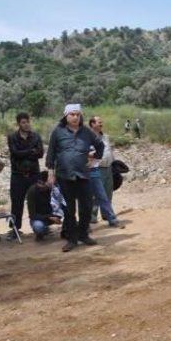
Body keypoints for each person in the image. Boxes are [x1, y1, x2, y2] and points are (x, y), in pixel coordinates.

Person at [46, 104, 104, 252]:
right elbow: (51, 153)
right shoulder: (57, 132)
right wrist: (51, 173)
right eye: (72, 114)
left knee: (87, 207)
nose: (75, 117)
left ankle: (83, 234)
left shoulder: (87, 132)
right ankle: (72, 239)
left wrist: (95, 159)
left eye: (78, 114)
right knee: (69, 210)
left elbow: (100, 145)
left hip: (83, 175)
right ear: (66, 116)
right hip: (64, 176)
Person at [7, 112, 43, 239]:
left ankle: (41, 227)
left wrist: (25, 153)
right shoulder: (12, 137)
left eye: (28, 121)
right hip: (18, 174)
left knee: (38, 200)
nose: (26, 124)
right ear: (18, 124)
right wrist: (30, 151)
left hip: (34, 174)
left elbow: (40, 154)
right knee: (17, 202)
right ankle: (15, 230)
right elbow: (15, 153)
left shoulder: (36, 136)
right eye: (23, 122)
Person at [88, 116, 123, 228]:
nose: (101, 124)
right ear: (92, 124)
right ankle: (92, 217)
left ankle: (106, 215)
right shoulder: (88, 137)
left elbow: (109, 150)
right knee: (96, 194)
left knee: (108, 192)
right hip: (97, 168)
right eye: (99, 122)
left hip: (108, 168)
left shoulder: (105, 137)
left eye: (101, 122)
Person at [26, 171, 63, 241]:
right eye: (39, 183)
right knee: (38, 226)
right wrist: (50, 217)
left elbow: (62, 204)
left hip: (52, 215)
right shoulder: (32, 191)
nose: (40, 186)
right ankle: (41, 232)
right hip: (39, 218)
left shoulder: (53, 190)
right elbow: (32, 215)